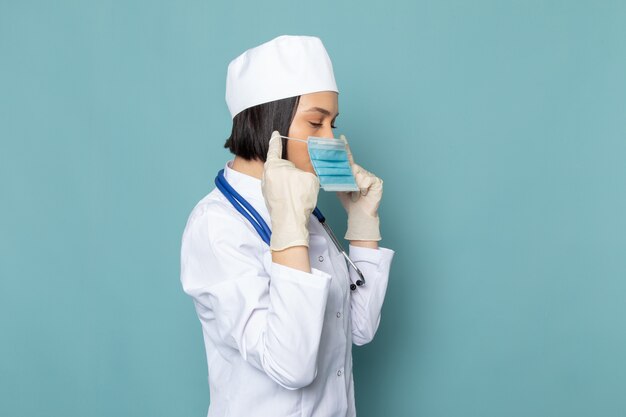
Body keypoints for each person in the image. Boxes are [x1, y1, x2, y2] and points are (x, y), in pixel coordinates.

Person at [179, 34, 395, 417]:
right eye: (316, 122)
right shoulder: (217, 227)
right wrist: (289, 227)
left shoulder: (307, 207)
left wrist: (363, 223)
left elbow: (359, 328)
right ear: (269, 123)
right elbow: (291, 366)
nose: (332, 139)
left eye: (333, 123)